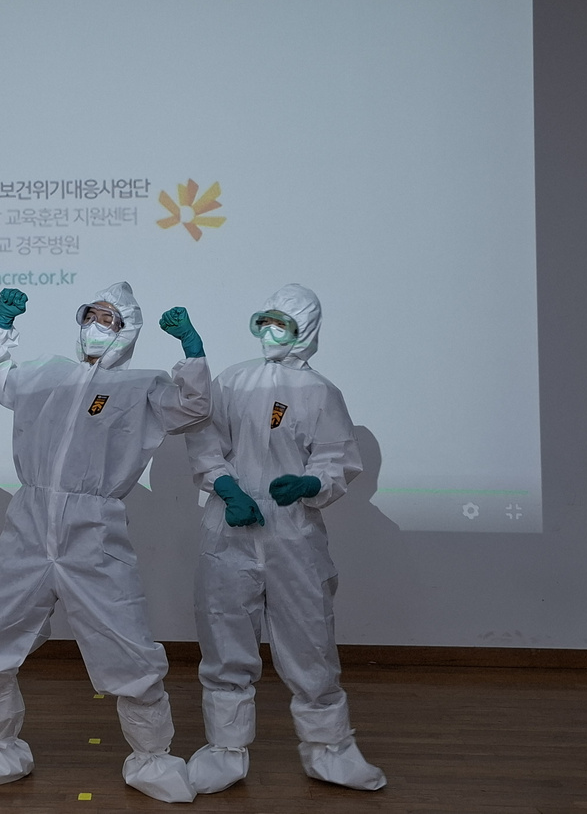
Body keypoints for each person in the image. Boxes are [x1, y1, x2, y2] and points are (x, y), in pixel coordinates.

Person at [0, 283, 210, 804]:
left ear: (127, 331)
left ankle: (152, 757)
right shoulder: (47, 373)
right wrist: (1, 325)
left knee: (126, 644)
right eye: (91, 315)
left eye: (109, 319)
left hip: (94, 529)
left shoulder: (141, 386)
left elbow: (194, 407)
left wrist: (193, 352)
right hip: (29, 523)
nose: (96, 326)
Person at [183, 283, 386, 793]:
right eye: (266, 321)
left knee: (310, 643)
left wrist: (310, 484)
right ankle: (225, 751)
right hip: (228, 529)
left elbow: (336, 457)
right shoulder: (233, 380)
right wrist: (227, 487)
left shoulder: (320, 392)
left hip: (293, 533)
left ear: (306, 331)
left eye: (284, 324)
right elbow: (206, 441)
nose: (272, 332)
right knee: (224, 641)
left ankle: (330, 751)